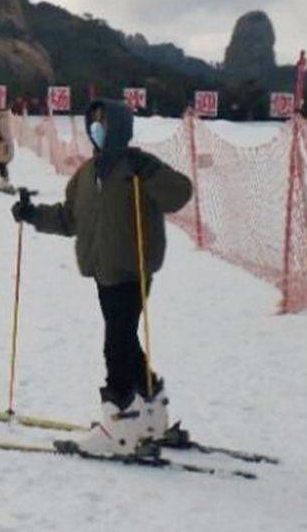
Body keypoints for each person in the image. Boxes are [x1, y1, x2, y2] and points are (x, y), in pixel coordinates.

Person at [10, 97, 192, 455]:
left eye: (103, 123)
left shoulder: (138, 166)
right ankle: (152, 412)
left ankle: (120, 426)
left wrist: (149, 172)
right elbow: (69, 218)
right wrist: (32, 215)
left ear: (118, 128)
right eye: (93, 123)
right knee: (125, 341)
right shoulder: (87, 173)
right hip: (103, 269)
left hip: (131, 269)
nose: (97, 129)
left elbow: (179, 194)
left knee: (116, 344)